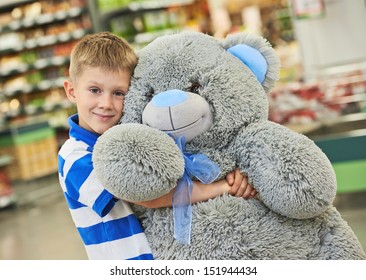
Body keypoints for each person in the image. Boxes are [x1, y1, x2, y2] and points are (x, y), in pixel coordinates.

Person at [57, 32, 256, 260]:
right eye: (95, 90)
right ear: (71, 90)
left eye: (119, 93)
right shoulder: (74, 155)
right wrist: (221, 188)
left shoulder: (134, 136)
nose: (106, 104)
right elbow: (144, 196)